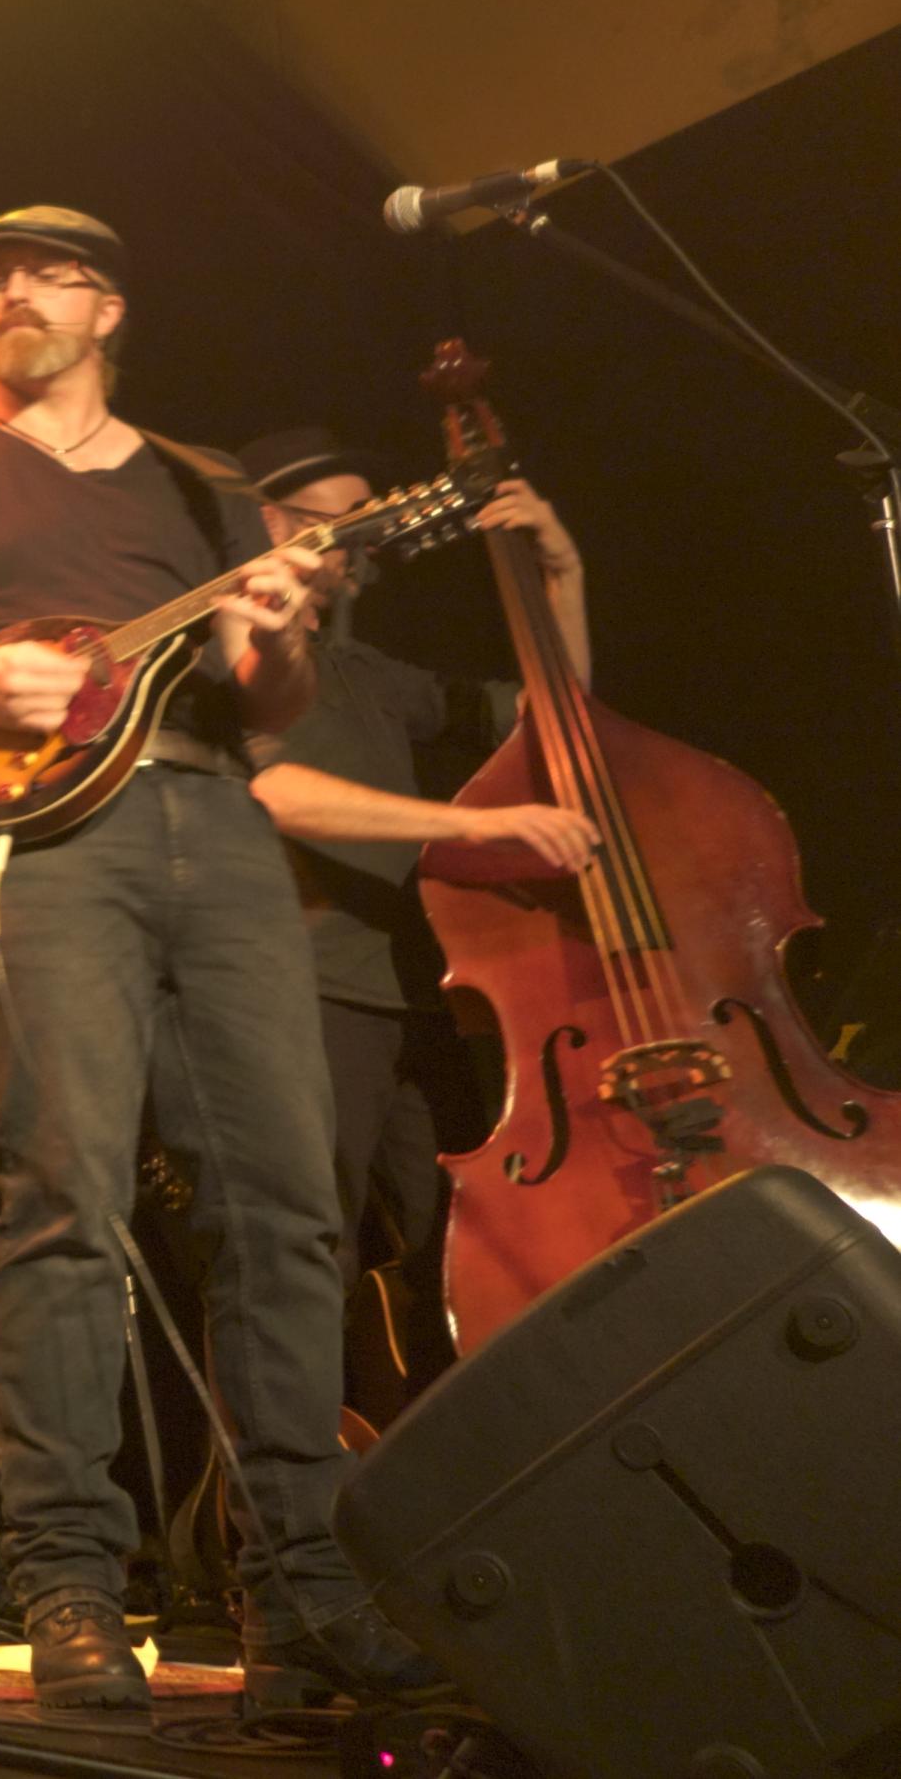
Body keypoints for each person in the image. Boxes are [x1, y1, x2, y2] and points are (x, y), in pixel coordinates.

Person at [0, 207, 440, 1710]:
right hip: (38, 844)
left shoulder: (206, 488)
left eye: (47, 273)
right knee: (63, 1195)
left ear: (109, 307)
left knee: (285, 1205)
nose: (12, 293)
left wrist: (280, 628)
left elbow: (267, 703)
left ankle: (298, 1587)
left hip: (218, 828)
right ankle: (71, 1582)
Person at [232, 427, 594, 1390]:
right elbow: (275, 793)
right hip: (308, 990)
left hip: (420, 991)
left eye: (368, 527)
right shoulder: (224, 660)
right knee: (308, 1248)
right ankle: (294, 1460)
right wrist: (471, 825)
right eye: (341, 523)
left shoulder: (366, 672)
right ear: (269, 523)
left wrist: (560, 575)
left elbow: (554, 720)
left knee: (465, 1245)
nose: (360, 546)